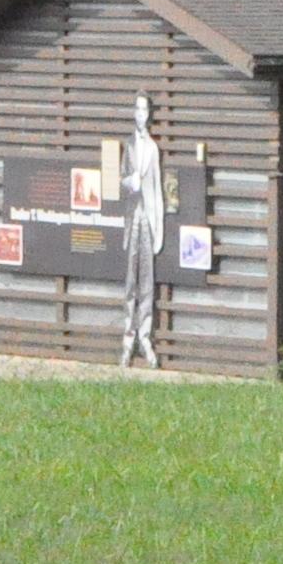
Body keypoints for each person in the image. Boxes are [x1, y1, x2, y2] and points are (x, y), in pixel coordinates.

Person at [119, 95, 168, 367]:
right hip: (132, 218)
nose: (140, 113)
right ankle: (128, 336)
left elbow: (157, 189)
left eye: (144, 108)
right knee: (130, 281)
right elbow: (121, 180)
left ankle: (145, 335)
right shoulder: (128, 145)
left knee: (147, 281)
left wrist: (158, 225)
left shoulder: (152, 147)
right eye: (137, 108)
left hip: (147, 218)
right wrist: (130, 182)